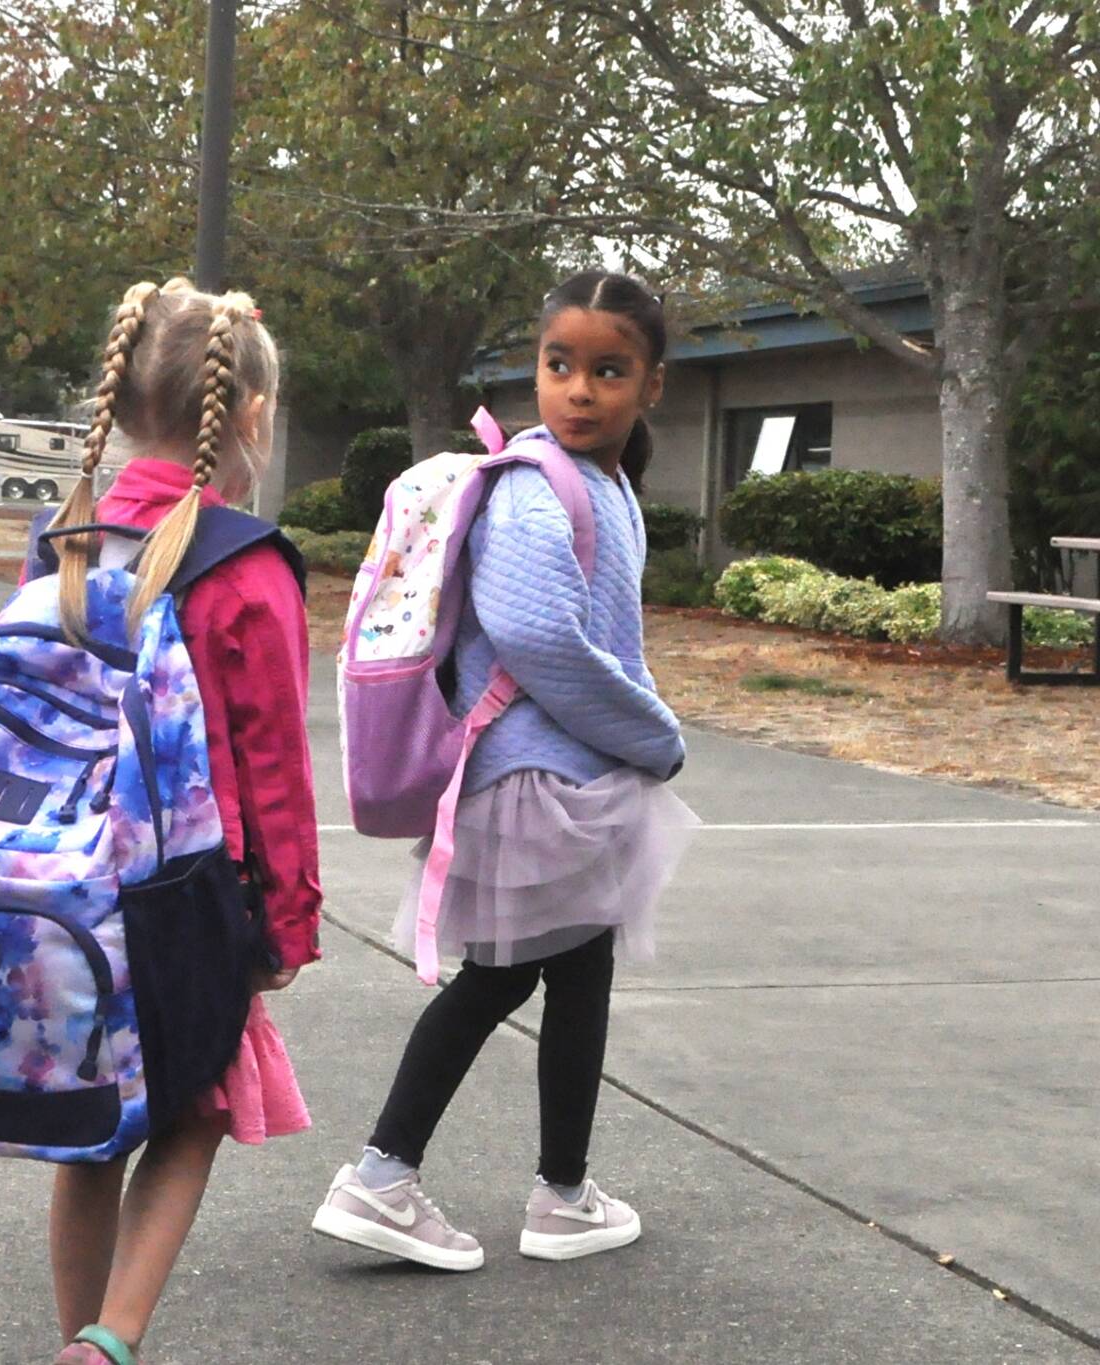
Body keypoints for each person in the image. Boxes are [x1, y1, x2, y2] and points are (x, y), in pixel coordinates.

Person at [312, 270, 699, 1271]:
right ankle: (381, 1175)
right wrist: (652, 735)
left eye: (606, 370)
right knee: (502, 977)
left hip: (565, 783)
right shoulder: (535, 487)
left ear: (650, 384)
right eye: (557, 364)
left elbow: (601, 630)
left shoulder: (606, 487)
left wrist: (630, 732)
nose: (576, 389)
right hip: (535, 785)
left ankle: (559, 1192)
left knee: (574, 973)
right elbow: (541, 638)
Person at [42, 279, 320, 1365]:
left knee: (88, 1129)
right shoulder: (243, 564)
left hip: (63, 884)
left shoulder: (63, 540)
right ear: (248, 414)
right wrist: (284, 924)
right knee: (193, 1109)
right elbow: (273, 764)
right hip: (189, 893)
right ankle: (111, 1342)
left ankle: (73, 1332)